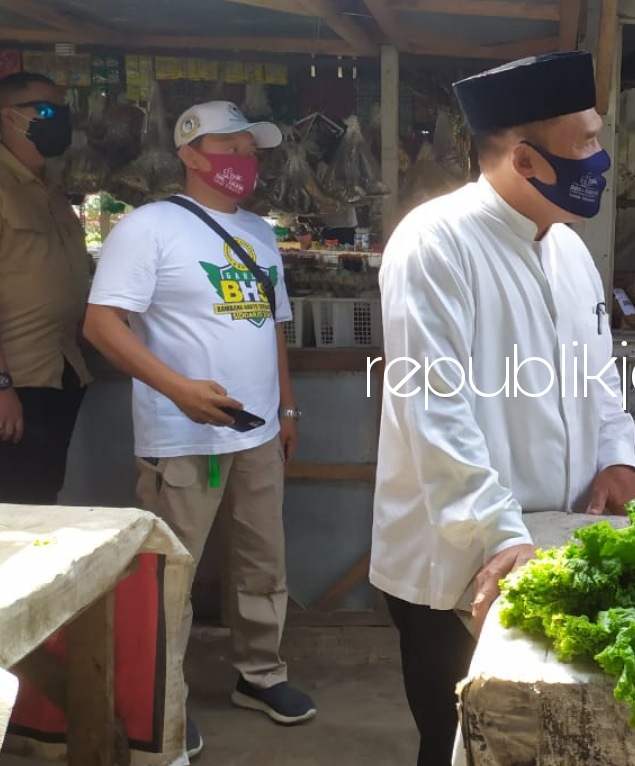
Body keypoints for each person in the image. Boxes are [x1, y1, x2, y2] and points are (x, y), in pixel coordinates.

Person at [370, 51, 635, 766]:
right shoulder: (435, 243)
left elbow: (598, 374)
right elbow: (435, 409)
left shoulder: (569, 250)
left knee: (546, 742)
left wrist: (617, 453)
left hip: (551, 539)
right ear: (525, 159)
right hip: (458, 557)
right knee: (461, 739)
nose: (600, 157)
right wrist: (498, 535)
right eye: (583, 143)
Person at [83, 100, 316, 759]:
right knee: (169, 578)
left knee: (262, 563)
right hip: (183, 439)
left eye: (251, 148)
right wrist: (177, 390)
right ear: (190, 154)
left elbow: (272, 329)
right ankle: (161, 704)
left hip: (258, 435)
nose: (244, 159)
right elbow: (102, 326)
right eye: (230, 146)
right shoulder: (149, 227)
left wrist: (287, 410)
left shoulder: (262, 234)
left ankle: (260, 674)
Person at [0, 71, 91, 504]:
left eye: (63, 111)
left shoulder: (51, 191)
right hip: (16, 378)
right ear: (9, 117)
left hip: (59, 371)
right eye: (47, 111)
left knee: (39, 498)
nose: (60, 120)